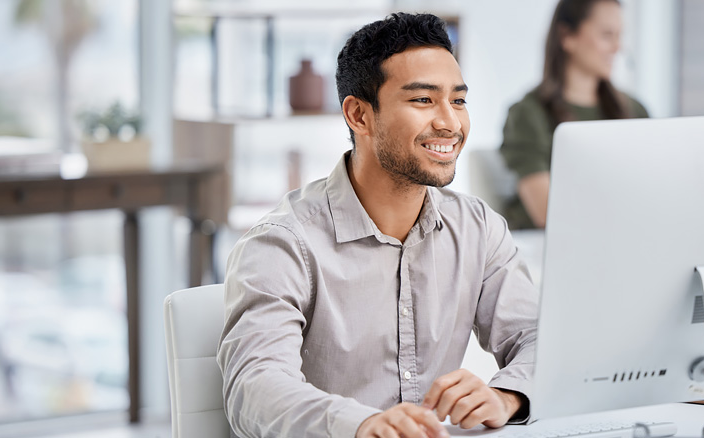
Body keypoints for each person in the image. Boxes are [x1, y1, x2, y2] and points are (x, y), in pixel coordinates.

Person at [218, 13, 538, 438]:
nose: (450, 122)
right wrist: (362, 424)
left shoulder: (478, 228)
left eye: (458, 100)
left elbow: (538, 338)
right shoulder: (283, 244)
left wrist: (507, 397)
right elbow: (254, 390)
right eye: (423, 100)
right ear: (359, 116)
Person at [500, 0, 649, 229]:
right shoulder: (528, 114)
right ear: (567, 36)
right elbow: (546, 212)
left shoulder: (634, 110)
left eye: (620, 35)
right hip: (544, 249)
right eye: (607, 35)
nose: (617, 47)